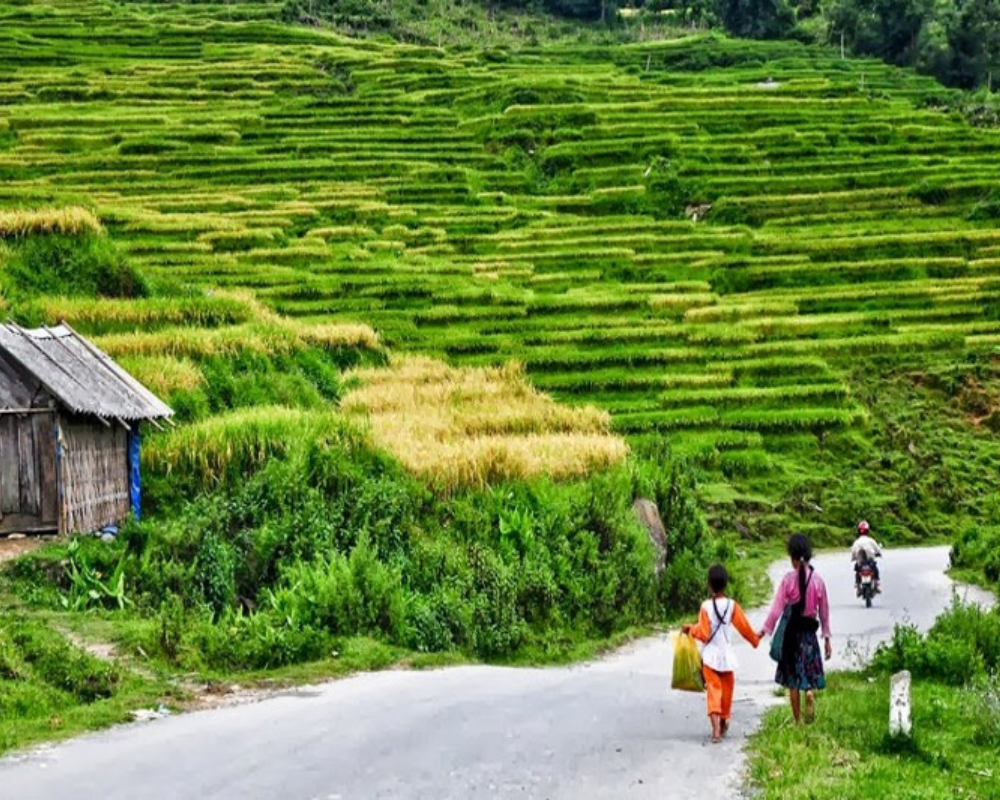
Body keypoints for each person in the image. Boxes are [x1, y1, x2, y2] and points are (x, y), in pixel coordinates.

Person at [682, 564, 761, 743]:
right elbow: (744, 627)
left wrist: (690, 629)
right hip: (727, 657)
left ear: (709, 585)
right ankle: (724, 720)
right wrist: (754, 640)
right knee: (727, 690)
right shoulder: (732, 606)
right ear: (726, 584)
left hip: (710, 657)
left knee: (713, 690)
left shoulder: (705, 607)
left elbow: (703, 633)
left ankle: (716, 728)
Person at [758, 534, 832, 725]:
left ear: (792, 557)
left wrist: (764, 630)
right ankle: (808, 692)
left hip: (792, 636)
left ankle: (797, 720)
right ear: (808, 556)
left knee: (792, 681)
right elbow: (824, 613)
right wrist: (826, 639)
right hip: (809, 635)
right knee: (807, 671)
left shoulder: (788, 580)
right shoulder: (818, 581)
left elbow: (776, 609)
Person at [851, 520, 883, 593]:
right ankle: (877, 582)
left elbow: (853, 552)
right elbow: (877, 548)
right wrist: (879, 553)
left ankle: (857, 584)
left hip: (860, 563)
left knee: (857, 571)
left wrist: (853, 558)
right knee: (875, 569)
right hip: (869, 561)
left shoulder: (857, 542)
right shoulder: (870, 540)